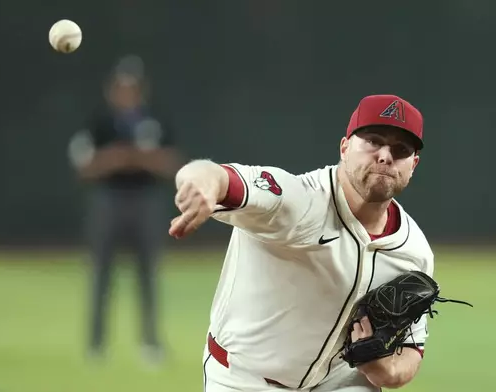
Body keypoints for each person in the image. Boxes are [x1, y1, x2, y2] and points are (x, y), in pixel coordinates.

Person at [169, 94, 432, 390]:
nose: (385, 156)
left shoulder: (413, 252)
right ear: (344, 148)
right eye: (372, 141)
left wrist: (385, 370)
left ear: (414, 165)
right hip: (244, 378)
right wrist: (202, 185)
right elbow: (217, 175)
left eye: (401, 150)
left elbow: (412, 346)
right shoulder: (297, 202)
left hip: (338, 380)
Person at [68, 58, 181, 363]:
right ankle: (96, 344)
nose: (126, 93)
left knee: (147, 274)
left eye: (131, 88)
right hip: (109, 199)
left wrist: (138, 159)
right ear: (112, 90)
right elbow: (84, 166)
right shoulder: (99, 122)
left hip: (145, 199)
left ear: (141, 90)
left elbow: (172, 163)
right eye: (121, 87)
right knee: (102, 273)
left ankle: (150, 344)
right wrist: (117, 158)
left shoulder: (155, 120)